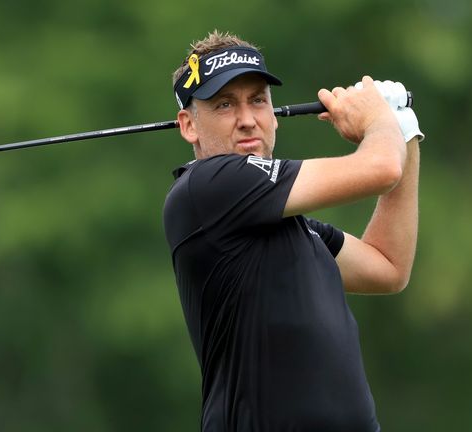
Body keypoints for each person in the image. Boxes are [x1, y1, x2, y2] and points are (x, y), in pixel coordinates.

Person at [163, 31, 423, 431]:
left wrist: (405, 134)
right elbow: (382, 168)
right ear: (188, 126)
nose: (247, 119)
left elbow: (387, 266)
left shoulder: (292, 225)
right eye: (224, 104)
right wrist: (379, 121)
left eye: (258, 100)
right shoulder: (207, 188)